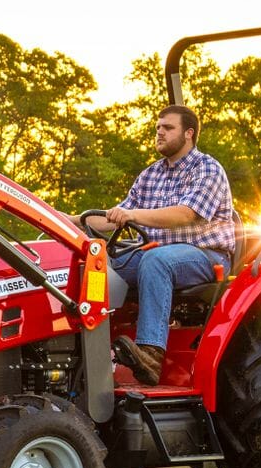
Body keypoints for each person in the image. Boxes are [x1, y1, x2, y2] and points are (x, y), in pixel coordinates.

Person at [85, 104, 236, 385]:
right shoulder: (150, 174)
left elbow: (185, 214)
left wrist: (132, 215)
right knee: (100, 265)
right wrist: (65, 220)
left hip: (205, 255)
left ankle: (150, 355)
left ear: (188, 134)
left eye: (168, 128)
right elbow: (115, 217)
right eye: (158, 128)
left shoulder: (207, 169)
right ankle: (90, 353)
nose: (160, 133)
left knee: (158, 260)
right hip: (157, 254)